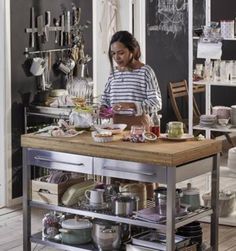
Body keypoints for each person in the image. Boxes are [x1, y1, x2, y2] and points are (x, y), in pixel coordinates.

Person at [99, 30, 162, 129]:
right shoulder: (113, 73)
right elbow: (105, 100)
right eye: (113, 53)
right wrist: (102, 108)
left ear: (132, 50)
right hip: (115, 130)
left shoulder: (145, 72)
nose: (116, 58)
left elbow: (156, 104)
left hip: (140, 130)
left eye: (121, 53)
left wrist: (131, 105)